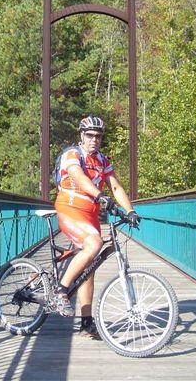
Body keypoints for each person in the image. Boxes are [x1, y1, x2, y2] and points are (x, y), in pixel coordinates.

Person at [54, 115, 140, 339]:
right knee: (94, 244)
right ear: (82, 136)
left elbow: (116, 187)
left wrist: (130, 211)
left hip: (90, 216)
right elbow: (79, 177)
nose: (94, 140)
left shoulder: (102, 160)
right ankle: (60, 291)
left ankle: (86, 323)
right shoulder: (73, 154)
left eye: (98, 136)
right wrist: (100, 196)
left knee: (89, 268)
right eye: (90, 135)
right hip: (70, 209)